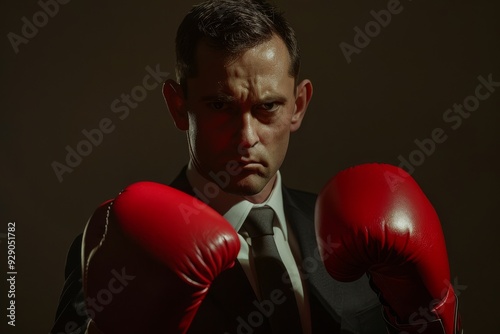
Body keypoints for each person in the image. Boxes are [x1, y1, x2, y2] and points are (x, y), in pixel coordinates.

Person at [51, 1, 461, 333]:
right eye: (219, 106)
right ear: (179, 105)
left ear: (298, 105)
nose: (246, 136)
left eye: (268, 107)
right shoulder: (124, 248)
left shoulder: (357, 237)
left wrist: (429, 322)